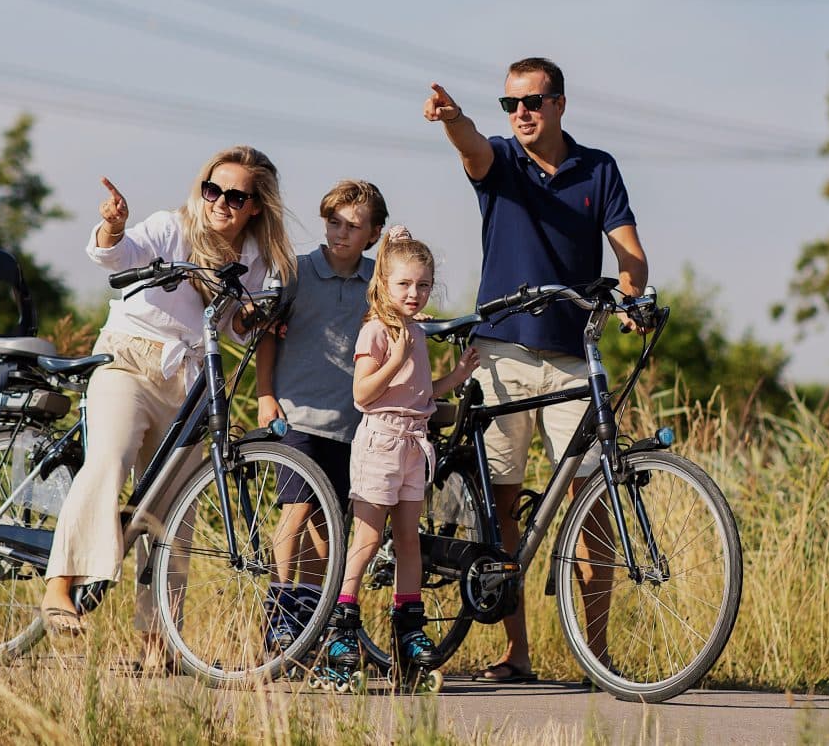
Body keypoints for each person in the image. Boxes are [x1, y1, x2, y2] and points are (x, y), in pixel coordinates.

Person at [422, 58, 650, 684]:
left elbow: (630, 253)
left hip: (575, 354)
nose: (520, 112)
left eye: (532, 101)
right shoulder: (499, 160)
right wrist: (454, 119)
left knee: (592, 500)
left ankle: (596, 657)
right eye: (510, 104)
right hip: (502, 353)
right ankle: (516, 653)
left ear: (560, 104)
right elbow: (471, 146)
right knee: (501, 506)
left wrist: (630, 295)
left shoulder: (597, 168)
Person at [37, 146, 297, 658]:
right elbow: (117, 255)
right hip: (129, 361)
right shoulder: (170, 229)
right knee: (108, 460)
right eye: (212, 189)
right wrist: (112, 227)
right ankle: (58, 588)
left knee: (176, 510)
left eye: (235, 195)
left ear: (255, 206)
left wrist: (253, 320)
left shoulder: (256, 260)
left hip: (189, 380)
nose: (220, 202)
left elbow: (237, 328)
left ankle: (157, 639)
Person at [314, 227, 482, 686]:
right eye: (405, 284)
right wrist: (396, 356)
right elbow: (363, 394)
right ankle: (342, 626)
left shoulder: (415, 333)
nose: (414, 293)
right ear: (384, 284)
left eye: (423, 285)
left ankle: (408, 625)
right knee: (367, 540)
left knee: (409, 540)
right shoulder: (377, 332)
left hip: (414, 445)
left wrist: (456, 376)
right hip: (381, 443)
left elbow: (422, 394)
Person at [254, 180, 387, 651]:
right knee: (296, 512)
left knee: (328, 528)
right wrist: (265, 394)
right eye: (334, 222)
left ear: (372, 234)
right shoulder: (297, 271)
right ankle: (279, 609)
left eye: (354, 227)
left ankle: (311, 620)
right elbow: (268, 333)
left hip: (352, 424)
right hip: (298, 417)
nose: (341, 233)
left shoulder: (379, 281)